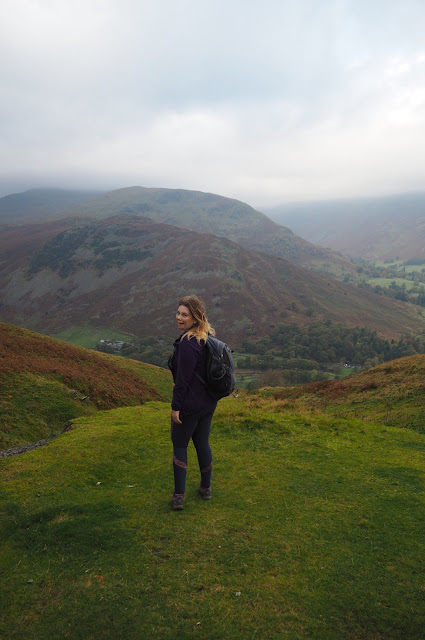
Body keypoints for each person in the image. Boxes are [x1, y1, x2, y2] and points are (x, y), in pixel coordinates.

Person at [169, 295, 218, 511]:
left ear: (195, 318)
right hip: (207, 403)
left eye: (184, 315)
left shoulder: (188, 343)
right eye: (178, 313)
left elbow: (183, 380)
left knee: (180, 445)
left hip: (189, 405)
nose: (179, 317)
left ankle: (179, 496)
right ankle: (205, 489)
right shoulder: (206, 337)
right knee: (202, 443)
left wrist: (175, 407)